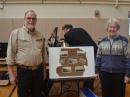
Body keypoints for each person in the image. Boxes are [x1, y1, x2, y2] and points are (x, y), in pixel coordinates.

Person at [6, 10, 47, 97]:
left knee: (37, 94)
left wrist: (44, 70)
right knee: (23, 95)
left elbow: (43, 54)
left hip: (38, 71)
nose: (31, 20)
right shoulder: (16, 33)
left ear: (36, 20)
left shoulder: (40, 35)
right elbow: (10, 54)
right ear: (24, 19)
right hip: (23, 72)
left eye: (33, 19)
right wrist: (11, 74)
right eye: (29, 18)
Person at [95, 17, 130, 97]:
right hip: (104, 73)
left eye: (114, 27)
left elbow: (129, 59)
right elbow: (98, 58)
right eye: (110, 27)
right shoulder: (102, 42)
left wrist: (128, 75)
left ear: (117, 28)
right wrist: (97, 71)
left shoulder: (124, 41)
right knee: (106, 94)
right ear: (107, 28)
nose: (112, 29)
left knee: (118, 94)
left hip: (119, 74)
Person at [62, 24, 98, 90]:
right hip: (94, 50)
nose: (64, 33)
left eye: (64, 31)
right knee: (90, 73)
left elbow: (68, 49)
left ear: (66, 29)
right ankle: (88, 90)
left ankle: (86, 90)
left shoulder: (67, 34)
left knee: (86, 72)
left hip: (86, 53)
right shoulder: (80, 29)